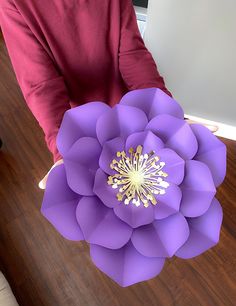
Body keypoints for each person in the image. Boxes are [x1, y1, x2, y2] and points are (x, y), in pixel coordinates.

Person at [0, 0, 216, 189]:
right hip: (81, 124)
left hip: (131, 109)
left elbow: (133, 53)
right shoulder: (13, 3)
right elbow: (41, 85)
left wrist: (167, 116)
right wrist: (63, 148)